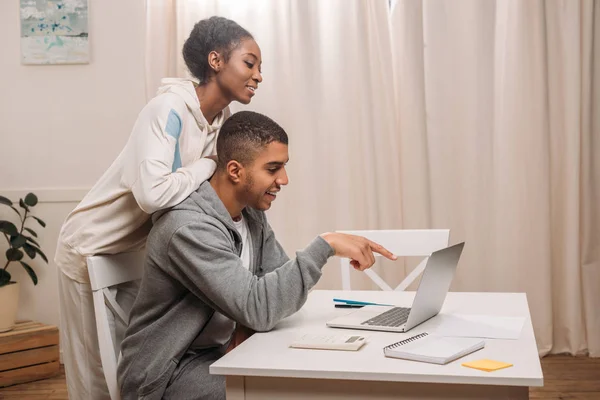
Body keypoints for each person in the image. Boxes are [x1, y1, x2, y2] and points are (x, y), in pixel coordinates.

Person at [118, 111, 396, 400]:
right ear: (236, 171)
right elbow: (261, 307)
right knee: (292, 391)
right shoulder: (189, 228)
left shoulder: (250, 213)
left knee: (317, 375)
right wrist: (325, 245)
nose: (284, 179)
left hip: (223, 354)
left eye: (284, 167)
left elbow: (275, 292)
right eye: (273, 168)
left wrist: (246, 321)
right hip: (166, 375)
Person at [54, 17, 262, 400]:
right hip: (88, 245)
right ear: (216, 60)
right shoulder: (165, 109)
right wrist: (208, 164)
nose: (258, 76)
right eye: (250, 63)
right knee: (96, 379)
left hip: (134, 250)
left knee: (133, 361)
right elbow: (152, 194)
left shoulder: (221, 121)